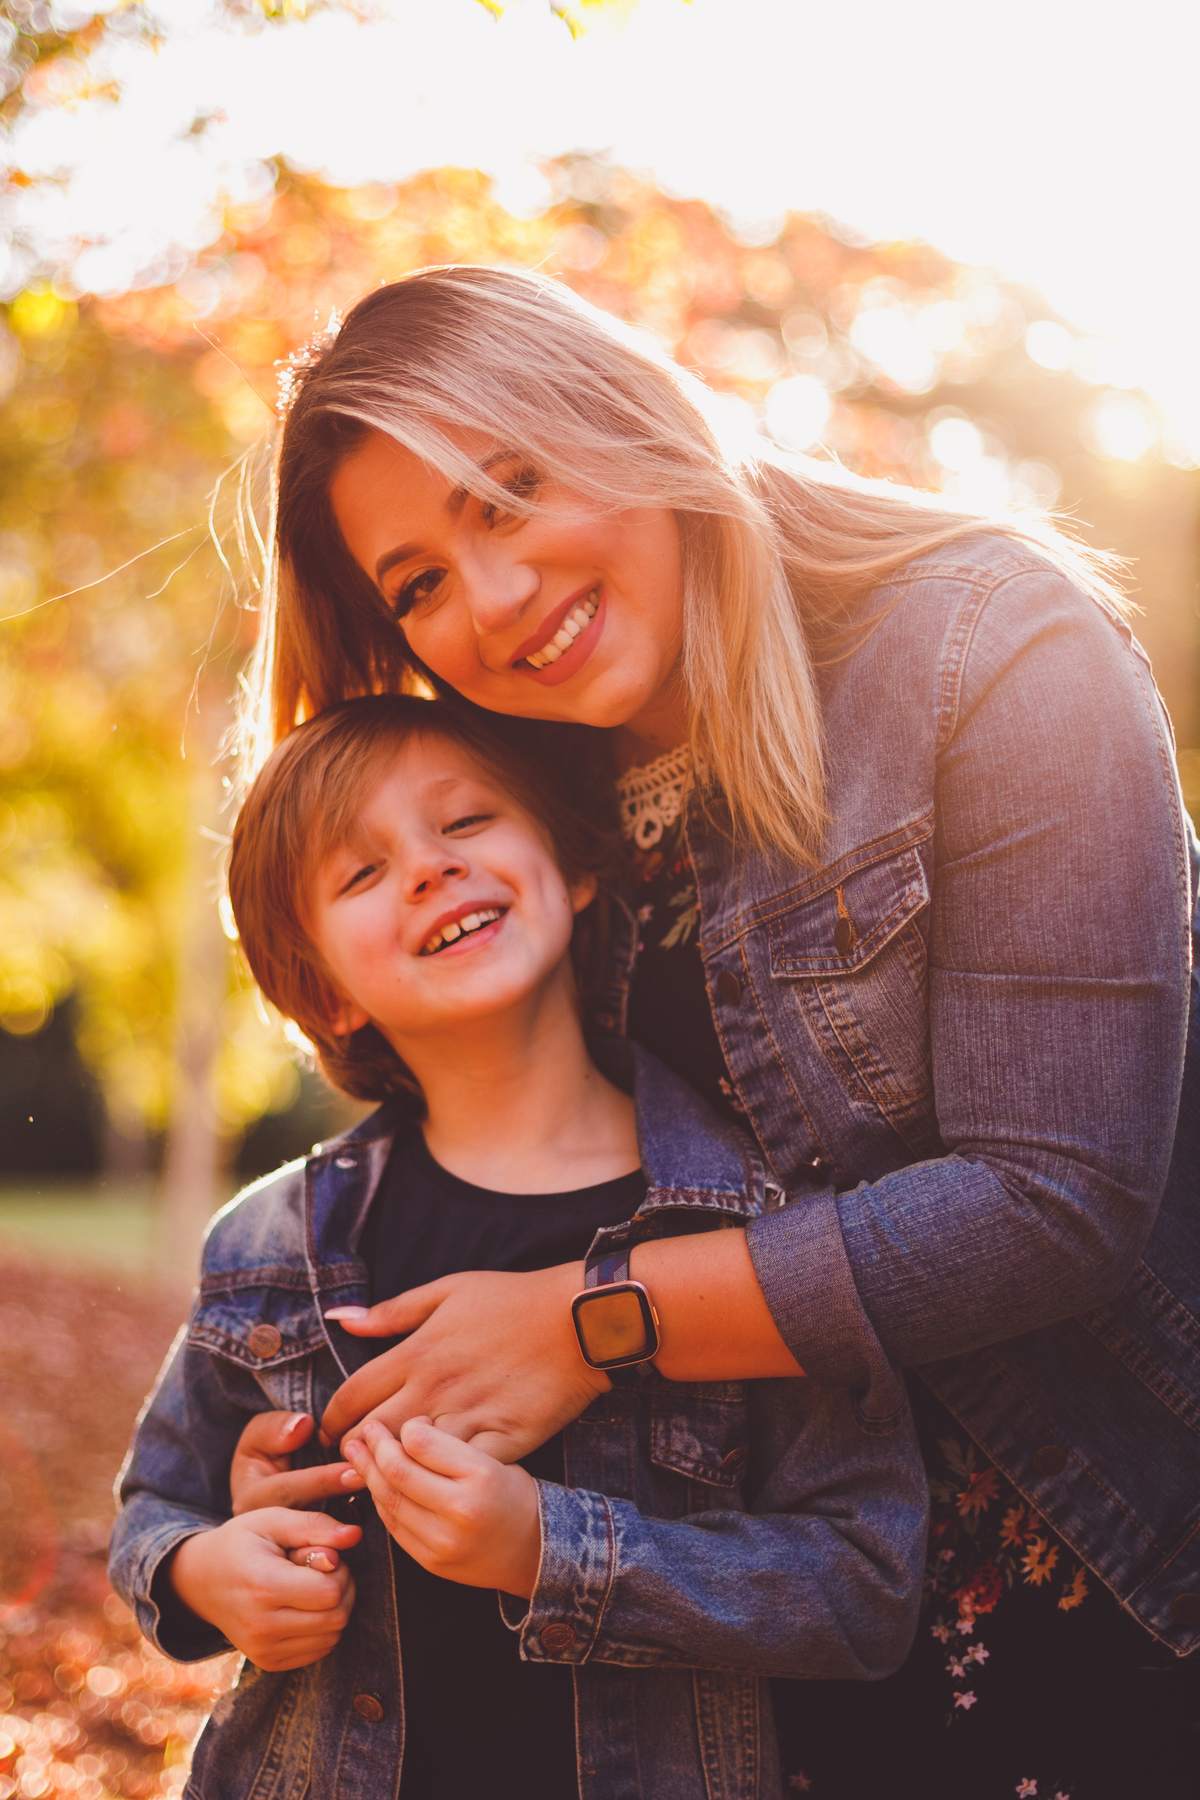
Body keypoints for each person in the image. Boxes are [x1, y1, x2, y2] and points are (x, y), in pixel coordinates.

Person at [244, 265, 1199, 1798]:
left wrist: (592, 1319)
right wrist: (301, 1464)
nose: (487, 604)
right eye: (416, 581)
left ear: (627, 417)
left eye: (511, 493)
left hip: (1115, 1555)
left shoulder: (993, 653)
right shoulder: (544, 812)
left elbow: (1056, 1198)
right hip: (766, 1641)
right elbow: (496, 1157)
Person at [108, 694, 929, 1800]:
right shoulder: (271, 1244)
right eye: (361, 873)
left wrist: (553, 1550)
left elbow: (861, 1588)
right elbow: (159, 1506)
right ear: (320, 992)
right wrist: (208, 1574)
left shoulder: (751, 1224)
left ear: (574, 866)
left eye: (467, 823)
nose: (428, 870)